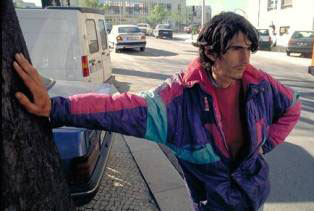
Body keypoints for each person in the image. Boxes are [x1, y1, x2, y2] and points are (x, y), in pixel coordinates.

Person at [13, 12, 301, 211]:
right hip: (213, 204)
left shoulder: (259, 83)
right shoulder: (177, 99)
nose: (246, 58)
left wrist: (267, 143)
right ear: (212, 52)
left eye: (250, 48)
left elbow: (292, 107)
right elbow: (119, 107)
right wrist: (55, 107)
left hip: (254, 194)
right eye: (237, 49)